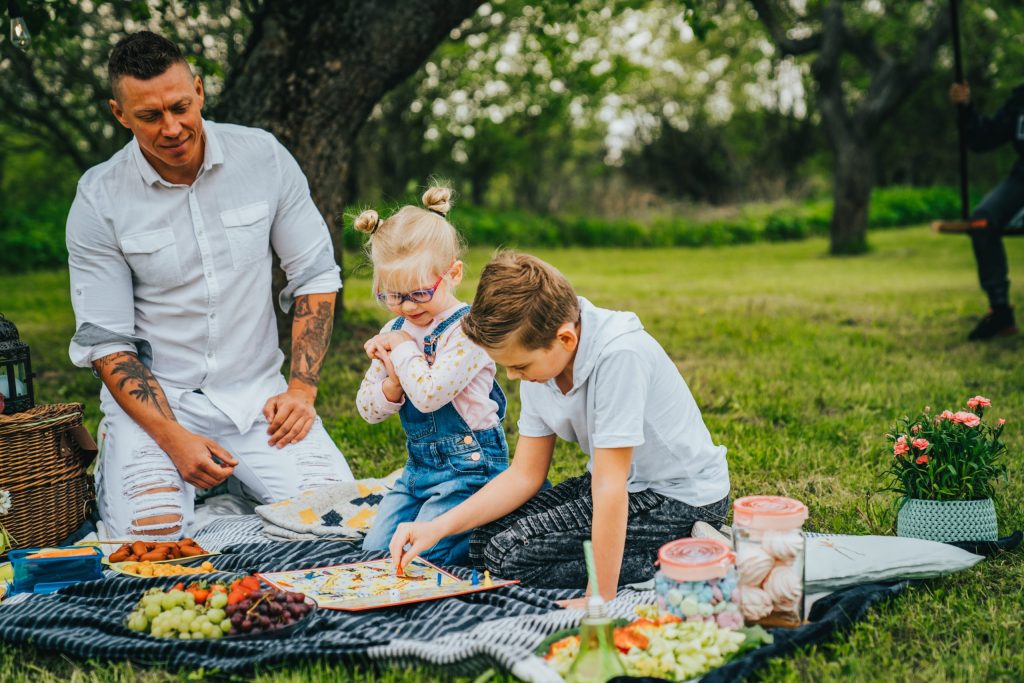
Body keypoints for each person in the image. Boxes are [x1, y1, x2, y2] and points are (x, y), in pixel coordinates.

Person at [66, 31, 354, 540]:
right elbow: (107, 342)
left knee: (341, 524)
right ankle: (172, 491)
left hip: (259, 399)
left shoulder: (263, 157)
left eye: (180, 106)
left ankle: (228, 506)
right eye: (150, 116)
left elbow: (314, 275)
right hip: (158, 407)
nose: (172, 128)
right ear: (120, 114)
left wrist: (302, 390)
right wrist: (172, 437)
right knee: (154, 541)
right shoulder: (98, 198)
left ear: (199, 90)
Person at [389, 252, 730, 605]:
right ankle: (660, 552)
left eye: (520, 366)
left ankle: (686, 554)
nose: (513, 376)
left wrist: (598, 597)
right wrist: (436, 527)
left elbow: (610, 485)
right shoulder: (543, 360)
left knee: (507, 556)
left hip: (680, 497)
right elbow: (525, 475)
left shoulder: (620, 355)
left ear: (565, 339)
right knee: (482, 543)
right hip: (619, 484)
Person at [356, 187, 509, 565]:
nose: (407, 306)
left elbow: (429, 395)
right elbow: (366, 410)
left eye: (419, 293)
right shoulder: (397, 328)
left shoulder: (468, 331)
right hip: (418, 471)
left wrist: (402, 348)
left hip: (472, 471)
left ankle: (490, 523)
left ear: (453, 273)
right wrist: (391, 385)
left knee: (422, 558)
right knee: (374, 554)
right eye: (392, 296)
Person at [949, 81, 1024, 340]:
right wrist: (966, 108)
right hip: (1021, 180)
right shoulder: (1020, 99)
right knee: (982, 220)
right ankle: (1000, 312)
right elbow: (982, 139)